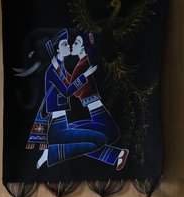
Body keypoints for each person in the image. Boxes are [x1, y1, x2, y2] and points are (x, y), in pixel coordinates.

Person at [31, 30, 107, 169]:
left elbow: (70, 85)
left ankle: (52, 152)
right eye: (65, 44)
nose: (69, 46)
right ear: (57, 49)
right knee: (100, 140)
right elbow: (67, 91)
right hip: (57, 127)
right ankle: (50, 154)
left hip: (62, 124)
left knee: (100, 139)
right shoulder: (52, 71)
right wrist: (85, 75)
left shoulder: (60, 68)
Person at [67, 33, 128, 170]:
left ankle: (116, 155)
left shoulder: (83, 66)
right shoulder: (83, 64)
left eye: (76, 43)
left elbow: (75, 92)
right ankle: (116, 154)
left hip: (103, 126)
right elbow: (74, 87)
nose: (72, 45)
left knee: (69, 134)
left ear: (83, 48)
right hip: (101, 121)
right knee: (69, 132)